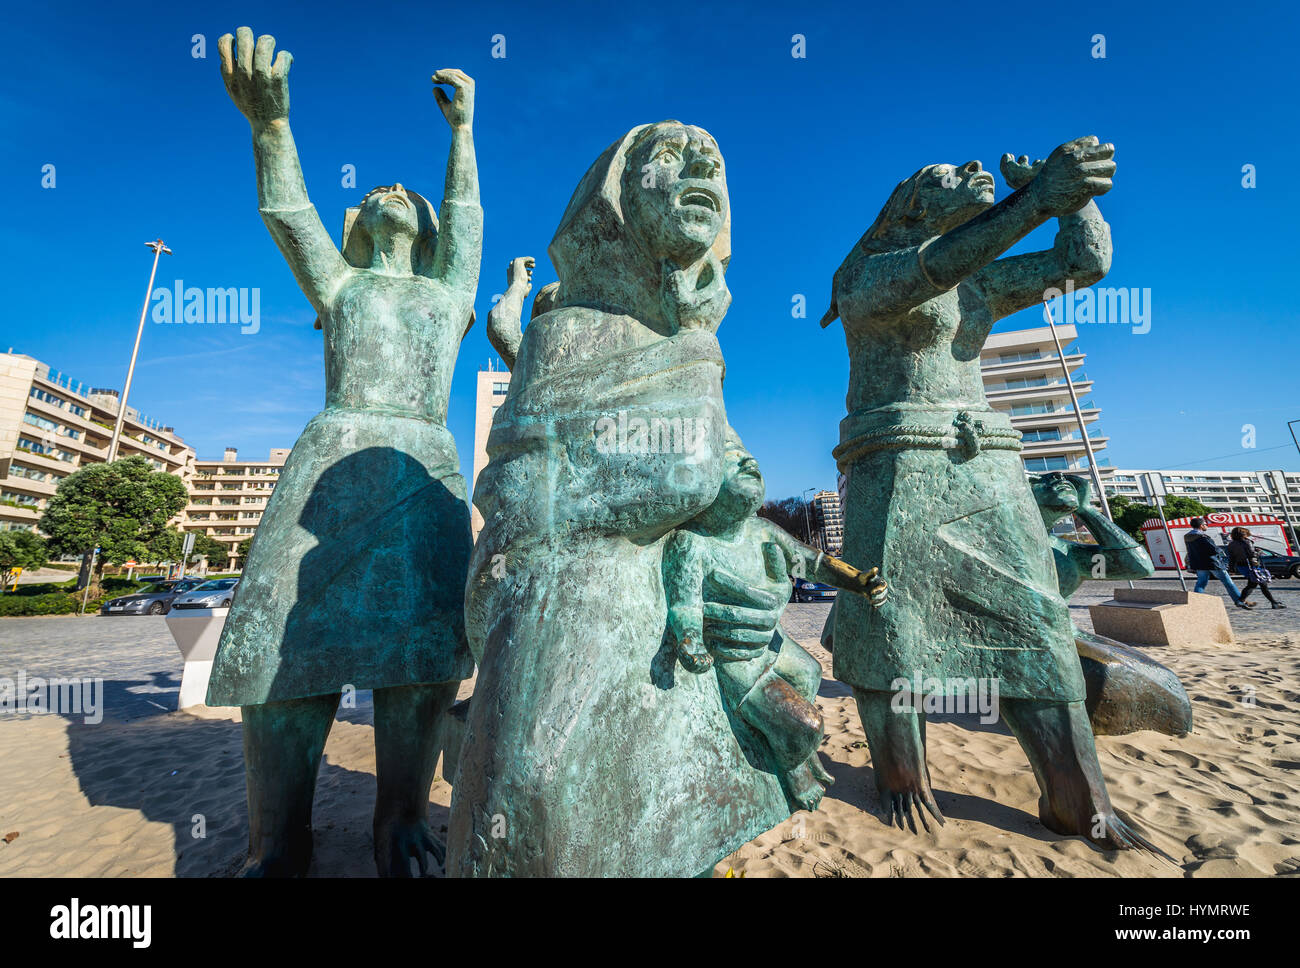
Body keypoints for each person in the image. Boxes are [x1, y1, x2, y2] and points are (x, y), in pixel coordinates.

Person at [207, 28, 482, 876]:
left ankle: (397, 823)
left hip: (422, 470)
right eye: (376, 193)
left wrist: (463, 135)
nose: (392, 192)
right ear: (356, 228)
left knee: (419, 662)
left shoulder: (448, 294)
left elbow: (469, 224)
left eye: (411, 192)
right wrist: (270, 126)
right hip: (332, 457)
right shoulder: (342, 284)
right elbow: (288, 215)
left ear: (429, 231)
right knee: (281, 654)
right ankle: (277, 837)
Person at [663, 432, 887, 810]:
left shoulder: (763, 531)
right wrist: (690, 642)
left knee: (811, 672)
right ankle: (793, 767)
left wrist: (856, 580)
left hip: (775, 645)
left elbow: (811, 561)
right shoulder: (692, 544)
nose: (750, 463)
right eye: (732, 461)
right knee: (807, 726)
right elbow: (685, 606)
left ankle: (789, 742)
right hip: (740, 662)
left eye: (750, 458)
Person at [1184, 518, 1250, 609]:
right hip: (1212, 563)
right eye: (1205, 524)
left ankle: (1196, 602)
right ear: (1201, 526)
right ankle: (1239, 601)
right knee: (1228, 582)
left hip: (1199, 564)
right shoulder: (1203, 537)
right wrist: (1220, 551)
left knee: (1201, 583)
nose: (1207, 525)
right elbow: (1213, 550)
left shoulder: (1187, 537)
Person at [1227, 526, 1284, 609]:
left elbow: (1232, 558)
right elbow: (1252, 554)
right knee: (1255, 584)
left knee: (1258, 584)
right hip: (1252, 566)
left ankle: (1273, 602)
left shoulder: (1231, 544)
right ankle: (1241, 601)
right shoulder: (1247, 542)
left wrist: (1232, 569)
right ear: (1243, 534)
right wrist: (1258, 552)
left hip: (1241, 566)